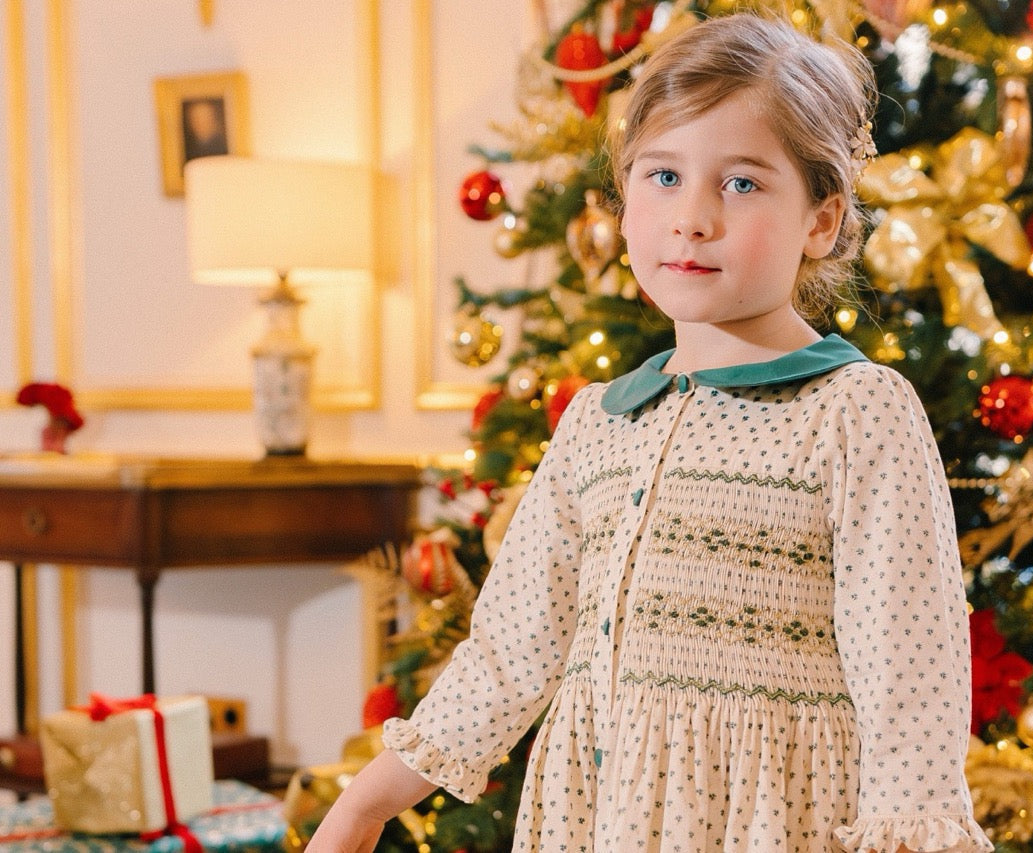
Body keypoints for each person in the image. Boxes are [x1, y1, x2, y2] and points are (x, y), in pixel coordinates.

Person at [312, 13, 992, 853]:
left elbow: (911, 682)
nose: (692, 217)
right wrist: (364, 804)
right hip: (597, 822)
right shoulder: (597, 423)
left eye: (741, 184)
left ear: (821, 219)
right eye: (663, 175)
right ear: (625, 198)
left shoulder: (855, 410)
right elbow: (507, 653)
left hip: (772, 825)